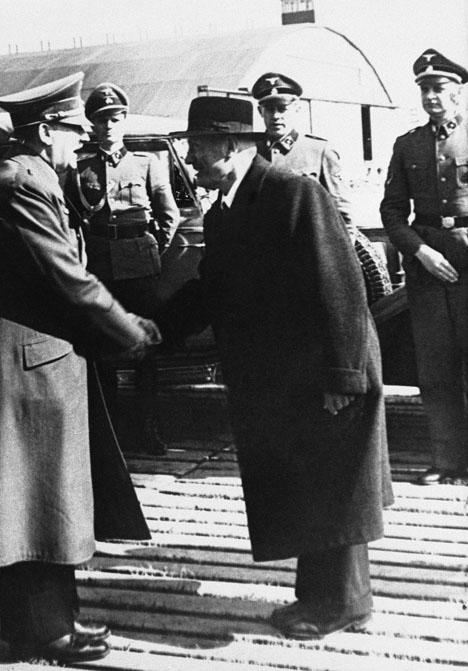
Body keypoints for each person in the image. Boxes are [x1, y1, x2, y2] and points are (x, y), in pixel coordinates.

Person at [159, 95, 392, 640]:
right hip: (286, 378)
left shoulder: (294, 193)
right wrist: (151, 330)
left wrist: (342, 377)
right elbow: (211, 290)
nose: (190, 159)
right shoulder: (226, 210)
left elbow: (339, 286)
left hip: (327, 369)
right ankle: (319, 597)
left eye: (197, 147)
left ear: (231, 145)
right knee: (312, 485)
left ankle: (346, 604)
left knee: (335, 488)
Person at [0, 72, 158, 664]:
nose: (81, 140)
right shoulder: (24, 182)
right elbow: (68, 277)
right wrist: (129, 332)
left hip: (38, 357)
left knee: (43, 495)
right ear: (46, 131)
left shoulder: (32, 176)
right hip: (31, 362)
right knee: (35, 496)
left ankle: (48, 620)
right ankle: (45, 631)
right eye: (72, 130)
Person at [70, 82, 180, 456]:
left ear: (124, 121)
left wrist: (150, 249)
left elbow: (168, 215)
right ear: (92, 125)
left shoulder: (147, 163)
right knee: (103, 351)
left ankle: (148, 428)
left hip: (140, 265)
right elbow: (73, 219)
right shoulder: (80, 166)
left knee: (145, 348)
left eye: (115, 119)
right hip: (99, 266)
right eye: (102, 120)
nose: (109, 126)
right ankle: (111, 434)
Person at [381, 50, 468, 485]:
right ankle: (448, 461)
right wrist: (420, 252)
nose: (432, 97)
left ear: (458, 92)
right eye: (425, 90)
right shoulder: (408, 144)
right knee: (435, 366)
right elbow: (393, 211)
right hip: (428, 264)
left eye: (440, 88)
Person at [251, 72, 392, 304]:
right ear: (260, 112)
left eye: (282, 108)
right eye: (269, 109)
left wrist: (335, 261)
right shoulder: (251, 153)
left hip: (308, 260)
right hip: (264, 262)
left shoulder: (318, 151)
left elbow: (343, 214)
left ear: (297, 109)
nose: (276, 116)